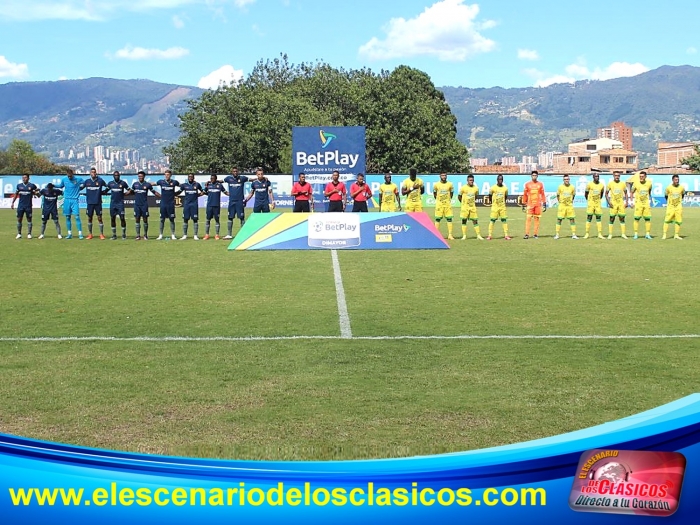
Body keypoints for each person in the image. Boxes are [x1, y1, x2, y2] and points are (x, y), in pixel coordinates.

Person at [54, 168, 84, 239]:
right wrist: (53, 185)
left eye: (70, 176)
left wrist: (80, 188)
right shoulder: (64, 179)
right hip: (67, 200)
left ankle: (80, 234)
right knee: (67, 217)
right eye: (68, 176)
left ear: (73, 174)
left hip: (75, 200)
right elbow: (60, 186)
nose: (69, 177)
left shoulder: (78, 179)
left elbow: (84, 183)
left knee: (77, 216)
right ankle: (69, 233)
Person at [155, 169, 181, 240]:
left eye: (168, 174)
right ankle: (160, 235)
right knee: (162, 219)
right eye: (165, 174)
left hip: (171, 204)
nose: (167, 176)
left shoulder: (174, 182)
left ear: (170, 175)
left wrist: (175, 194)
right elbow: (153, 184)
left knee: (171, 219)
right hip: (163, 204)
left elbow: (182, 187)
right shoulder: (161, 182)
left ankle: (173, 234)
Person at [82, 167, 108, 240]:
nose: (93, 173)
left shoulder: (100, 181)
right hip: (90, 203)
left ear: (96, 173)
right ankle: (90, 234)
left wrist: (105, 191)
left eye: (94, 172)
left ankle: (101, 234)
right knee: (89, 218)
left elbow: (108, 186)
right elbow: (80, 188)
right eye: (92, 172)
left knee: (99, 218)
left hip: (98, 203)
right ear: (90, 173)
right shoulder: (87, 181)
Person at [11, 174, 39, 239]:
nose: (24, 178)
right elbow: (16, 194)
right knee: (19, 219)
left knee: (29, 219)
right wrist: (12, 202)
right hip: (20, 206)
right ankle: (19, 233)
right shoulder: (19, 186)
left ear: (28, 178)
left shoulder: (32, 186)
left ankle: (29, 234)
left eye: (25, 177)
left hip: (28, 206)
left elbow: (38, 194)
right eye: (23, 177)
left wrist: (36, 193)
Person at [223, 167, 248, 239]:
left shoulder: (242, 178)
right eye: (234, 171)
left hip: (240, 201)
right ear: (232, 172)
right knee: (230, 217)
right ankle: (229, 234)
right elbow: (221, 181)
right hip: (231, 201)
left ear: (238, 172)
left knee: (242, 218)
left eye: (236, 171)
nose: (235, 172)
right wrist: (210, 182)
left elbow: (251, 180)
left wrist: (262, 178)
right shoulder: (228, 179)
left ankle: (244, 234)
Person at [131, 171, 156, 240]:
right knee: (137, 219)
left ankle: (145, 235)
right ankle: (138, 235)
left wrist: (161, 196)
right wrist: (122, 194)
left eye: (141, 176)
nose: (140, 177)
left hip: (144, 205)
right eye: (139, 176)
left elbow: (154, 192)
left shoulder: (147, 184)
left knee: (145, 219)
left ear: (144, 177)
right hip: (137, 205)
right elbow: (130, 192)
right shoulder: (135, 184)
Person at [105, 170, 130, 240]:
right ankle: (114, 235)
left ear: (119, 176)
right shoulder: (110, 183)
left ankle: (124, 234)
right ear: (113, 176)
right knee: (113, 219)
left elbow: (130, 190)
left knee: (122, 218)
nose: (116, 176)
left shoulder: (123, 183)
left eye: (118, 175)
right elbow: (105, 191)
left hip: (120, 204)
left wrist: (125, 194)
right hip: (113, 204)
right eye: (115, 175)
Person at [458, 174, 484, 240]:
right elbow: (459, 196)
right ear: (467, 180)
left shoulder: (476, 188)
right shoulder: (463, 188)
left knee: (475, 220)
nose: (471, 181)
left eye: (472, 180)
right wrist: (463, 203)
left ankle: (478, 235)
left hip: (472, 207)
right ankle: (464, 235)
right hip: (465, 207)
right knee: (464, 220)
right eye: (470, 180)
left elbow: (476, 196)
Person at [203, 174, 228, 240]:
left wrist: (233, 195)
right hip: (209, 205)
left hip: (216, 205)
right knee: (208, 220)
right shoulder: (208, 185)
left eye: (213, 178)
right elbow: (203, 192)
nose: (212, 179)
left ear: (216, 179)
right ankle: (207, 234)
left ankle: (217, 235)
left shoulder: (219, 185)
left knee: (217, 220)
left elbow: (225, 192)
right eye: (211, 178)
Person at [523, 170, 546, 239]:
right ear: (531, 176)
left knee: (536, 219)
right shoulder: (527, 184)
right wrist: (524, 203)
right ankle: (526, 234)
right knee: (528, 219)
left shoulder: (540, 184)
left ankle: (535, 234)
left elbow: (542, 194)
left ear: (537, 176)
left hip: (537, 205)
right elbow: (525, 195)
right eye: (533, 175)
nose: (534, 176)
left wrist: (544, 203)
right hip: (530, 205)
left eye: (535, 175)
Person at [180, 173, 203, 240]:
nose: (190, 178)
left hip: (194, 205)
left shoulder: (197, 184)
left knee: (195, 220)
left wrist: (197, 195)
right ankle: (184, 235)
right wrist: (173, 194)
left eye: (191, 177)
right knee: (185, 219)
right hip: (187, 204)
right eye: (189, 177)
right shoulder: (184, 185)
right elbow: (179, 191)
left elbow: (203, 191)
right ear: (188, 178)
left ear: (193, 177)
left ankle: (195, 235)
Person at [487, 174, 511, 240]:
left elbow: (506, 196)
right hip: (495, 207)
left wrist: (503, 202)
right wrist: (492, 203)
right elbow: (489, 195)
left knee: (504, 220)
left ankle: (506, 235)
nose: (500, 180)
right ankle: (489, 235)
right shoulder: (493, 188)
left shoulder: (505, 188)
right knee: (492, 220)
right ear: (497, 180)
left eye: (501, 179)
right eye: (499, 179)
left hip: (502, 207)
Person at [606, 170, 628, 239]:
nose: (617, 177)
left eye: (618, 175)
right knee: (612, 218)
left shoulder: (622, 184)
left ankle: (623, 234)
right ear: (613, 176)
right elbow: (606, 194)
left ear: (620, 176)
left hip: (621, 204)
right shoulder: (610, 184)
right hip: (613, 204)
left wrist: (626, 202)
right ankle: (610, 234)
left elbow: (626, 193)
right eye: (615, 175)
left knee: (622, 218)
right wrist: (609, 202)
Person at [631, 170, 653, 240]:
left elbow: (649, 191)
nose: (641, 178)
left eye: (642, 176)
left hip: (646, 204)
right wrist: (631, 202)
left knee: (647, 219)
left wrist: (649, 199)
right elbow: (631, 192)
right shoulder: (636, 183)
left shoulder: (649, 183)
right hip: (638, 204)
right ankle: (636, 234)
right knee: (636, 219)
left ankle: (647, 234)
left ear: (645, 177)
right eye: (640, 176)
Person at [663, 174, 686, 240]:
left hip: (678, 207)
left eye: (678, 180)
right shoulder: (668, 188)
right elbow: (666, 195)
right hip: (671, 207)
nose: (677, 181)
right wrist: (669, 202)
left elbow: (683, 194)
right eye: (675, 180)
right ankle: (664, 234)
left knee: (678, 221)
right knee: (667, 220)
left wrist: (679, 201)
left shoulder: (681, 187)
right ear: (672, 180)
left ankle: (676, 235)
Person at [555, 174, 577, 239]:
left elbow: (574, 195)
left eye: (567, 179)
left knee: (572, 219)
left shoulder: (572, 187)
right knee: (559, 219)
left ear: (569, 180)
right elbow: (558, 195)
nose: (566, 180)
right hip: (562, 205)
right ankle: (557, 234)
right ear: (563, 180)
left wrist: (571, 201)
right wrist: (560, 202)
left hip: (569, 206)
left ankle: (574, 234)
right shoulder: (560, 187)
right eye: (565, 179)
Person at [433, 172, 455, 239]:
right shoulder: (436, 184)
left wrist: (448, 200)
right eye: (442, 175)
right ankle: (436, 234)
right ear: (440, 176)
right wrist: (439, 200)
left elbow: (451, 193)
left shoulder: (450, 184)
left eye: (445, 175)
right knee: (437, 219)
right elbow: (434, 193)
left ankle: (450, 235)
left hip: (447, 205)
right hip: (439, 205)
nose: (444, 177)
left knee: (449, 219)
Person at [584, 173, 605, 239]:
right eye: (595, 176)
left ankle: (599, 234)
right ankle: (587, 233)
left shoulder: (601, 185)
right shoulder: (589, 184)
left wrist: (598, 200)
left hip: (598, 204)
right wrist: (589, 200)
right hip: (591, 204)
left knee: (598, 218)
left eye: (598, 176)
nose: (597, 177)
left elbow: (601, 194)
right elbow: (586, 193)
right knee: (589, 217)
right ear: (593, 177)